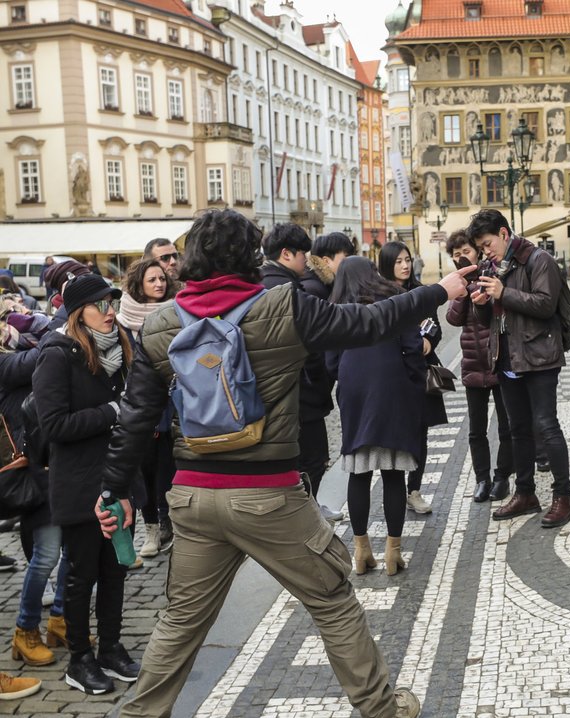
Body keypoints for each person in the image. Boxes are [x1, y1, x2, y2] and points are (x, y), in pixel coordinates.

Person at [95, 209, 474, 718]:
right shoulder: (283, 306)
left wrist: (113, 490)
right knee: (333, 601)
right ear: (250, 256)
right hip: (269, 497)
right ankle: (383, 709)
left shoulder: (161, 323)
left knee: (181, 620)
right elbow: (370, 322)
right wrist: (437, 291)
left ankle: (139, 714)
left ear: (191, 260)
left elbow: (136, 418)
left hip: (193, 498)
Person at [32, 273, 141, 694]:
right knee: (81, 574)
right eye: (101, 305)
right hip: (79, 483)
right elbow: (54, 425)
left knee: (117, 568)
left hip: (118, 477)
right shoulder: (57, 354)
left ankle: (111, 648)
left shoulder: (119, 348)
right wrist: (114, 412)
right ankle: (80, 659)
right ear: (80, 312)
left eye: (112, 303)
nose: (111, 312)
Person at [469, 209, 570, 528]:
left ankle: (563, 497)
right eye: (481, 247)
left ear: (504, 234)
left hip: (539, 354)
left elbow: (545, 304)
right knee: (517, 429)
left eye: (487, 244)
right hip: (505, 356)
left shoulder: (538, 259)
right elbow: (487, 321)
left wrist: (504, 293)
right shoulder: (491, 265)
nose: (484, 252)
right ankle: (526, 492)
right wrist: (481, 304)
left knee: (546, 425)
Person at [326, 257, 426, 575]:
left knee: (359, 471)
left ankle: (361, 551)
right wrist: (412, 382)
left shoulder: (336, 310)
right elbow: (412, 347)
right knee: (394, 472)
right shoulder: (394, 300)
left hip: (355, 390)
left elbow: (329, 361)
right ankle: (393, 553)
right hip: (392, 387)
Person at [0, 311, 68, 667]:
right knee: (45, 556)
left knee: (72, 550)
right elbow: (31, 361)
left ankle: (59, 621)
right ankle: (26, 631)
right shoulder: (8, 362)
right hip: (34, 475)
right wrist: (57, 330)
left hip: (60, 466)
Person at [260, 224, 341, 519]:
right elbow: (308, 348)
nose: (306, 260)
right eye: (302, 254)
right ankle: (306, 515)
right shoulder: (288, 291)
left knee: (295, 460)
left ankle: (306, 510)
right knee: (313, 458)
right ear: (286, 254)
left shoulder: (261, 284)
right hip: (300, 393)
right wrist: (320, 384)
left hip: (276, 394)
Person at [444, 229, 513, 502]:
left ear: (477, 251)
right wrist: (462, 291)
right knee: (476, 429)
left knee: (506, 426)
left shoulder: (491, 274)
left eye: (466, 252)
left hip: (497, 359)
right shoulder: (457, 284)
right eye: (456, 255)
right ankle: (482, 479)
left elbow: (495, 315)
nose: (462, 257)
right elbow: (453, 319)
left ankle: (502, 477)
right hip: (473, 362)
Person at [378, 241, 446, 515]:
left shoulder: (421, 292)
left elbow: (435, 326)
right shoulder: (379, 295)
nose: (405, 265)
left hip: (420, 370)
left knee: (420, 432)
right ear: (387, 265)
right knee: (396, 433)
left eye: (407, 259)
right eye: (398, 261)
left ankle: (413, 490)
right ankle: (393, 491)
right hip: (392, 375)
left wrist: (428, 340)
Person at [117, 259, 177, 558]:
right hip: (141, 406)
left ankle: (170, 522)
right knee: (146, 471)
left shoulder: (176, 313)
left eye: (162, 278)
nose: (159, 284)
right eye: (152, 279)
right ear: (139, 284)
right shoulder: (123, 322)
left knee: (171, 468)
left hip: (174, 403)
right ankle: (152, 527)